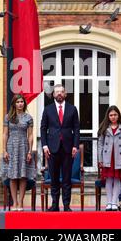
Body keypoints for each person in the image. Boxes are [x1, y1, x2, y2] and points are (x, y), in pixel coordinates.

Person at [40, 84, 80, 212]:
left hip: (68, 148)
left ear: (65, 94)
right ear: (53, 95)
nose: (59, 94)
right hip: (52, 149)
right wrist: (44, 145)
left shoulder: (72, 109)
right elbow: (43, 128)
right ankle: (55, 204)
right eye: (57, 92)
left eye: (61, 92)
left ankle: (67, 205)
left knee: (67, 178)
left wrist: (75, 145)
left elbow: (76, 129)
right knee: (54, 178)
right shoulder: (48, 109)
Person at [2, 94, 35, 211]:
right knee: (12, 175)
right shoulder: (8, 117)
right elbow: (5, 134)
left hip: (24, 147)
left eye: (22, 102)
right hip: (11, 147)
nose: (20, 104)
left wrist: (30, 151)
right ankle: (14, 203)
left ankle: (21, 202)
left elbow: (30, 135)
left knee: (22, 175)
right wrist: (4, 150)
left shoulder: (29, 118)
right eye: (18, 102)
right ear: (14, 104)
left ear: (24, 104)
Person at [97, 105, 121, 211]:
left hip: (119, 158)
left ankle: (114, 202)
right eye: (111, 115)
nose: (113, 117)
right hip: (107, 157)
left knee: (117, 180)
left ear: (118, 116)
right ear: (108, 116)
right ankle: (109, 202)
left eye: (115, 114)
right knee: (109, 179)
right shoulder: (104, 129)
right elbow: (100, 145)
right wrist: (100, 159)